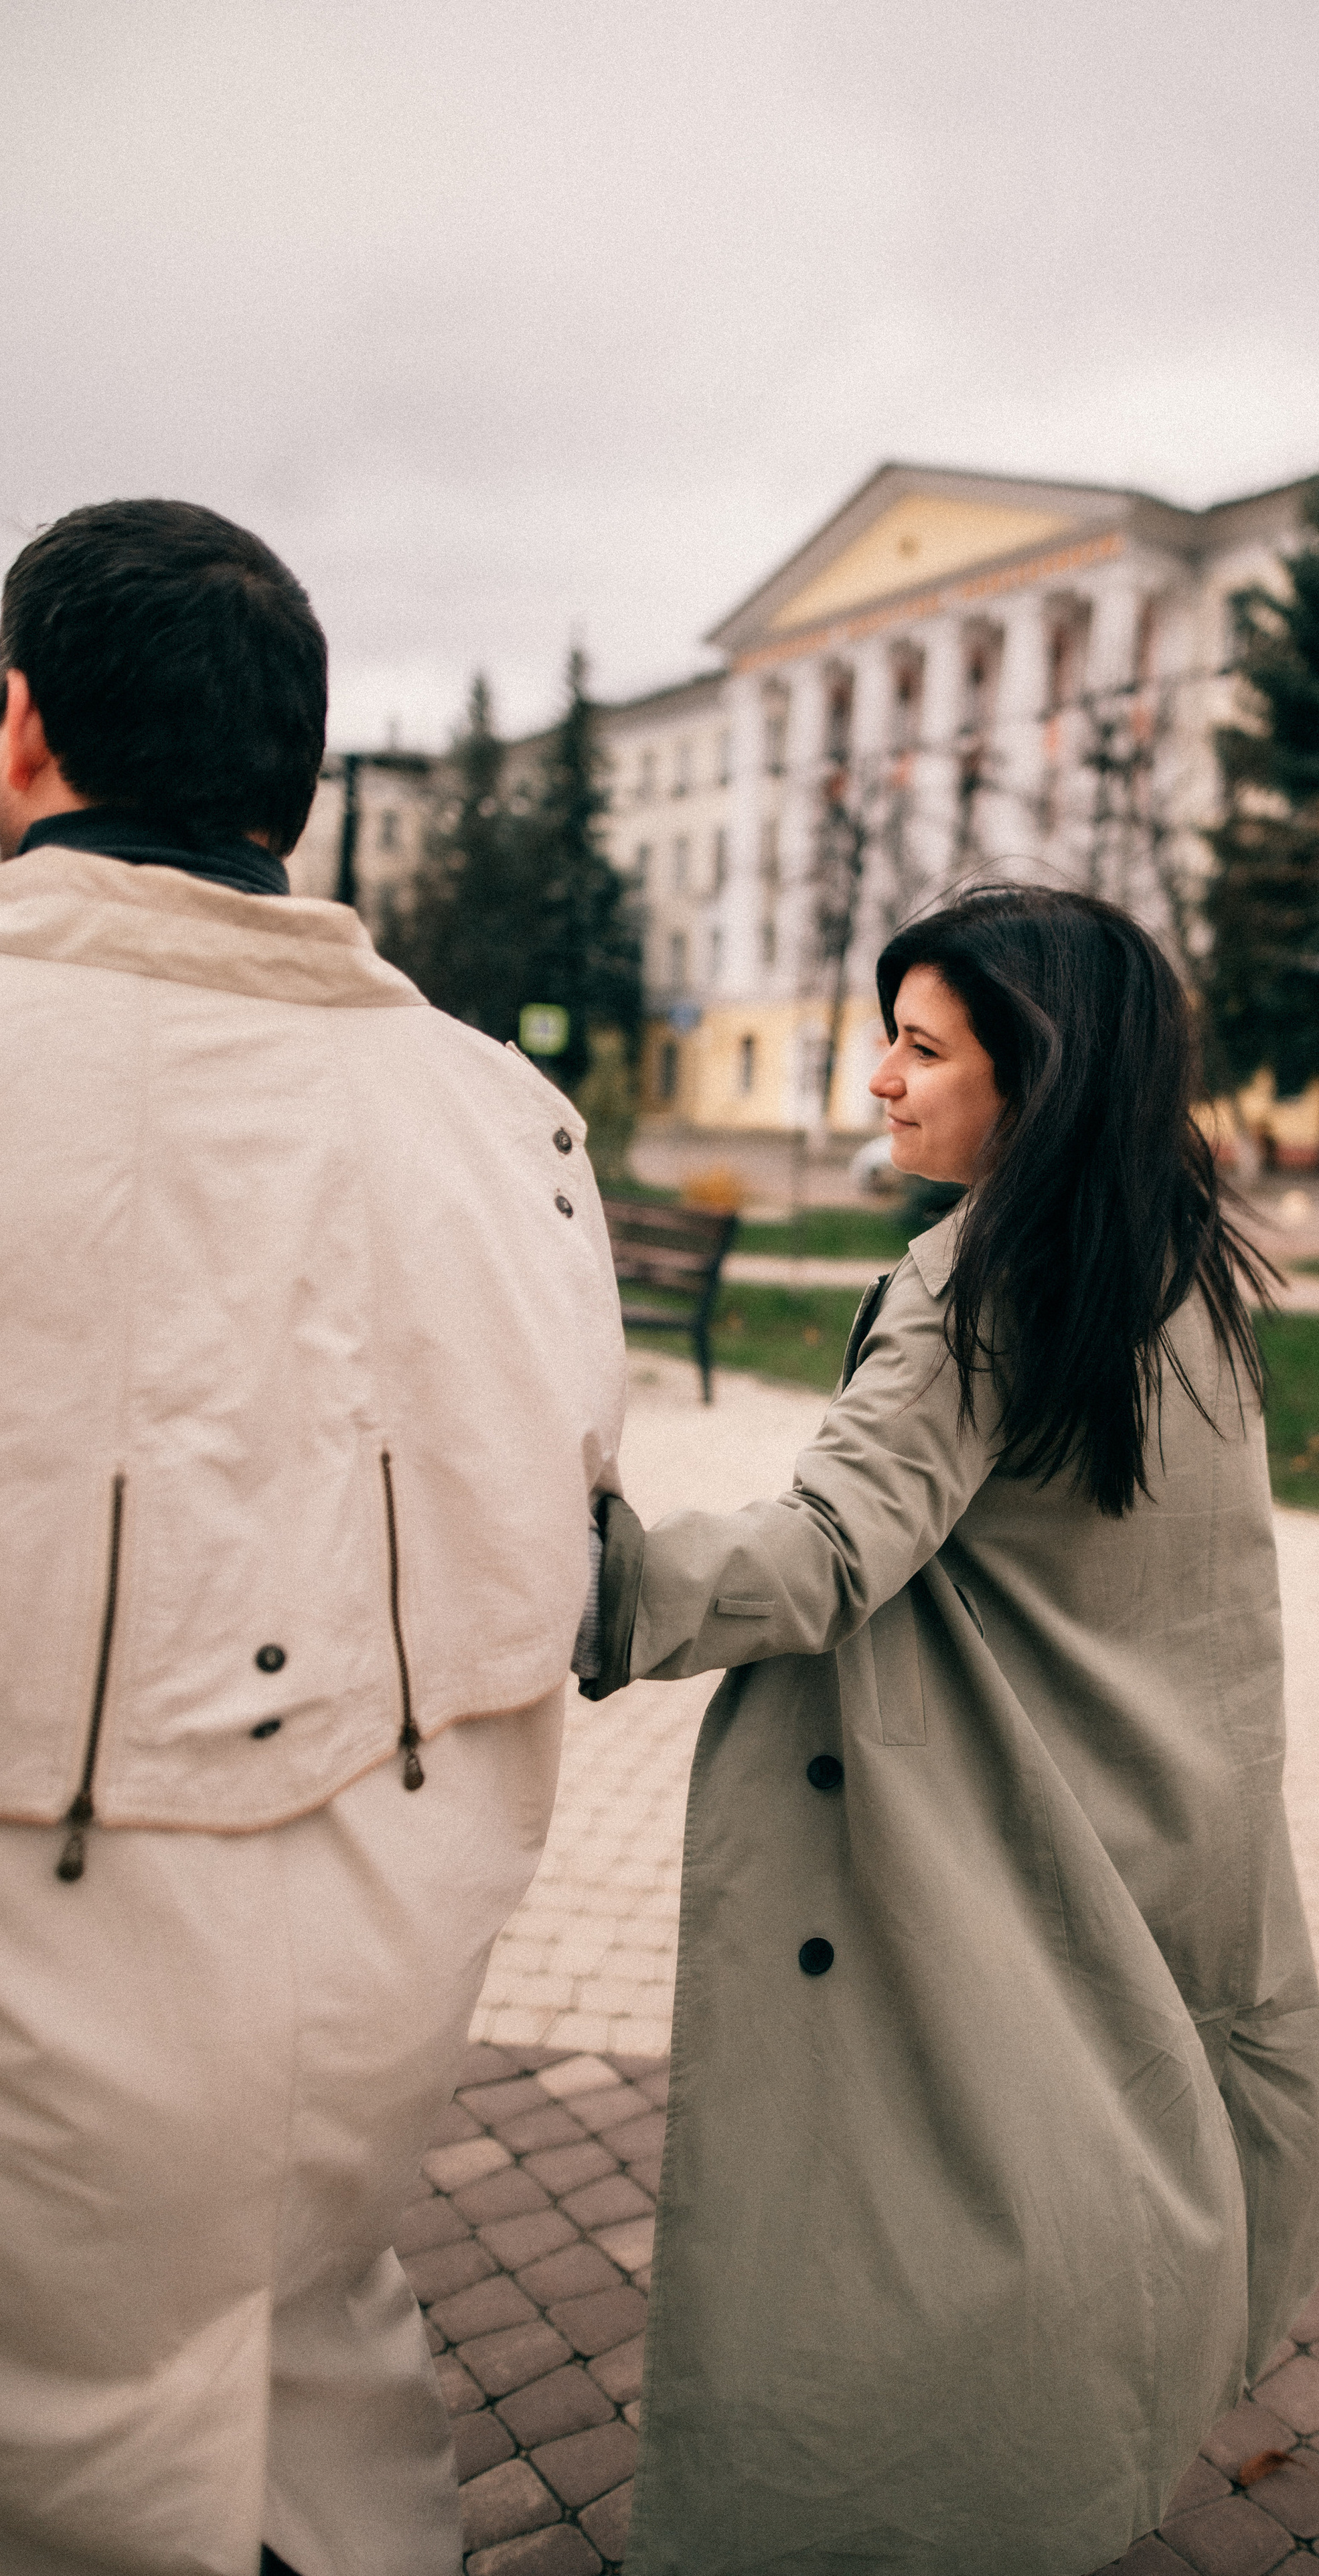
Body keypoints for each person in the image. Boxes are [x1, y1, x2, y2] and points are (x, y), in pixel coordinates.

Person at [0, 500, 625, 2576]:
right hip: (370, 2050)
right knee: (318, 2405)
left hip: (44, 2103)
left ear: (17, 733)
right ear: (294, 783)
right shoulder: (511, 1122)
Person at [585, 887, 1319, 2576]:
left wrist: (574, 1585)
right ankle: (1070, 2470)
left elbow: (824, 1550)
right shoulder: (1177, 1256)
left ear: (1039, 1076)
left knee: (918, 2214)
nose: (876, 1082)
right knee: (1113, 2180)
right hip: (1169, 1817)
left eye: (920, 1048)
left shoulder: (981, 1284)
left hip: (1005, 1839)